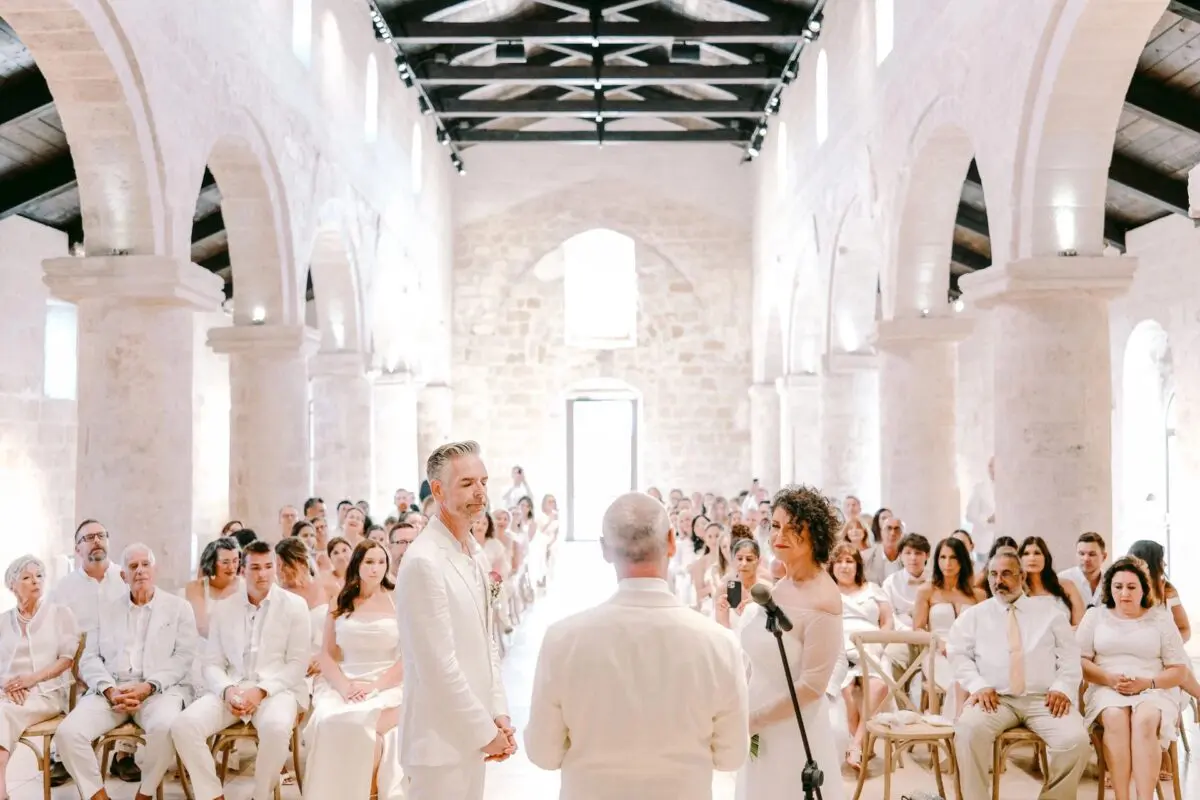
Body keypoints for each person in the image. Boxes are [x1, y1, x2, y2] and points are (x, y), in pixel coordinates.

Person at [525, 492, 748, 798]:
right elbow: (731, 755)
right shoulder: (719, 643)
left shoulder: (563, 639)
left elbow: (542, 753)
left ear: (604, 549)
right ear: (671, 541)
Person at [395, 441, 512, 800]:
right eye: (467, 483)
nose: (480, 492)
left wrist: (498, 712)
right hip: (439, 742)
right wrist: (483, 731)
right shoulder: (424, 561)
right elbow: (437, 666)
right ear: (438, 490)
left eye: (484, 481)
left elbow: (485, 640)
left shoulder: (473, 552)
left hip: (470, 731)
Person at [170, 540, 312, 800]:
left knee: (278, 728)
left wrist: (261, 691)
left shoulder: (295, 606)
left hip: (278, 690)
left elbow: (297, 665)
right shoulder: (225, 608)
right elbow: (211, 662)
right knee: (183, 725)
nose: (262, 574)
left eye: (268, 567)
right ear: (242, 571)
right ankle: (213, 795)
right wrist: (227, 690)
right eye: (255, 567)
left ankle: (261, 795)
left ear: (275, 568)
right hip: (232, 687)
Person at [58, 544, 198, 800]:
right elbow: (89, 658)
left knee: (166, 726)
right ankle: (98, 796)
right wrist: (110, 690)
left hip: (158, 691)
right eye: (133, 566)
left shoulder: (179, 608)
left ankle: (144, 795)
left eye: (146, 564)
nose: (140, 571)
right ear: (123, 576)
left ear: (155, 570)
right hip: (112, 691)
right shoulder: (106, 610)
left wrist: (148, 686)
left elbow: (183, 658)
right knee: (68, 733)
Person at [948, 550, 1090, 800]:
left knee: (1076, 740)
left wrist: (1062, 689)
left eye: (1006, 574)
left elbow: (1069, 658)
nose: (997, 581)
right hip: (994, 699)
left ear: (1022, 576)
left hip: (1044, 699)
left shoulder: (1050, 614)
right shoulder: (974, 616)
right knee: (968, 730)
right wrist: (978, 685)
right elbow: (958, 655)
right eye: (993, 574)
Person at [736, 485, 846, 800]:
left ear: (815, 536)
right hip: (757, 712)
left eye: (793, 528)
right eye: (776, 525)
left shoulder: (823, 598)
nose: (779, 535)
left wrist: (754, 719)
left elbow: (812, 686)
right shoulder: (778, 586)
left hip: (793, 724)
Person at [1078, 557, 1189, 800]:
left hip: (1153, 686)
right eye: (1118, 587)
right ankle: (1121, 797)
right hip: (1107, 685)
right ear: (1109, 588)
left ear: (1143, 589)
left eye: (1131, 587)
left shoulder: (1160, 618)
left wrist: (1147, 683)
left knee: (1146, 718)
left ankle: (1144, 797)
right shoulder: (1095, 617)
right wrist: (1107, 678)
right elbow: (1080, 662)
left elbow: (1179, 670)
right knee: (1116, 717)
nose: (1124, 593)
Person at [306, 540, 405, 800]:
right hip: (345, 681)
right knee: (329, 721)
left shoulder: (398, 599)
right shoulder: (340, 599)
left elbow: (408, 659)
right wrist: (345, 687)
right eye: (369, 562)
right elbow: (326, 655)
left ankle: (367, 792)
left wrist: (374, 687)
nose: (376, 569)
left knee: (363, 725)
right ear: (357, 565)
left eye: (381, 562)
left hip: (387, 683)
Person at [51, 519, 129, 784]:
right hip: (77, 663)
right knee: (61, 681)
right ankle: (61, 756)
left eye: (101, 535)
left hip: (119, 658)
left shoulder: (124, 577)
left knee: (130, 679)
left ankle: (124, 755)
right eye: (89, 537)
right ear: (77, 548)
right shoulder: (64, 588)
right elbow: (54, 630)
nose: (97, 540)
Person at [0, 556, 78, 800]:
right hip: (8, 693)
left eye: (39, 576)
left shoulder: (60, 614)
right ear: (12, 586)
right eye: (26, 577)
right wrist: (6, 683)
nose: (35, 581)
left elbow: (67, 659)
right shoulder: (3, 621)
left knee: (1, 712)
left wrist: (31, 680)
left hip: (46, 693)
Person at [913, 536, 985, 718]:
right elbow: (918, 629)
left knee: (974, 675)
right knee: (959, 680)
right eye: (942, 557)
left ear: (962, 560)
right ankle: (956, 726)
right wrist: (939, 643)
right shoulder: (927, 590)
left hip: (971, 653)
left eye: (953, 558)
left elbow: (985, 631)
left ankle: (963, 726)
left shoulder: (978, 595)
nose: (947, 563)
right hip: (937, 653)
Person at [1019, 536, 1083, 626]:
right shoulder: (1016, 592)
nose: (1032, 558)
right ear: (1019, 559)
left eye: (1037, 553)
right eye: (1026, 554)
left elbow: (1080, 627)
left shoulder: (1067, 586)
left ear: (1046, 558)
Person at [1058, 532, 1107, 609]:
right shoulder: (1062, 579)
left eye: (1092, 554)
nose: (1086, 559)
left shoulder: (1111, 580)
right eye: (1081, 554)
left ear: (1104, 557)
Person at [964, 456, 996, 563]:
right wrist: (987, 519)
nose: (993, 469)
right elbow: (969, 515)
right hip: (984, 541)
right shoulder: (979, 488)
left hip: (1004, 539)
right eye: (991, 466)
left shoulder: (1010, 490)